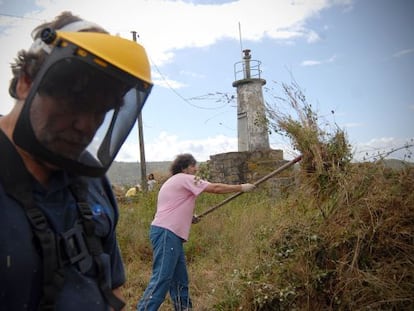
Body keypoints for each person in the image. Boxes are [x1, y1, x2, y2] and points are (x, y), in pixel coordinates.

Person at [0, 11, 153, 311]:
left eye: (101, 110)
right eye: (75, 100)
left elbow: (113, 289)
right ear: (26, 82)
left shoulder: (92, 181)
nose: (87, 125)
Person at [136, 153, 256, 310]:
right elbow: (215, 188)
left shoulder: (173, 182)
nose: (196, 169)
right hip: (167, 233)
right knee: (162, 278)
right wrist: (241, 187)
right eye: (193, 166)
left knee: (180, 281)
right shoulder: (185, 178)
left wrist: (189, 217)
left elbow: (172, 206)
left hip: (170, 234)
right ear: (185, 167)